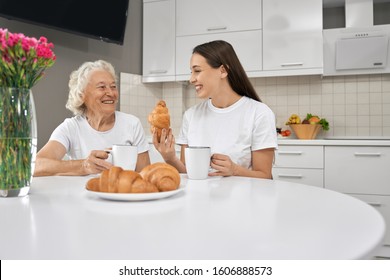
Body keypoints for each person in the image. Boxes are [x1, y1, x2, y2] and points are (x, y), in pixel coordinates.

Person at [153, 40, 277, 179]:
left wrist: (235, 170)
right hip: (198, 198)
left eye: (197, 71)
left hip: (242, 199)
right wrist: (170, 158)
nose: (191, 79)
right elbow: (188, 173)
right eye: (191, 72)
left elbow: (265, 176)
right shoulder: (191, 115)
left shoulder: (259, 113)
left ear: (223, 71)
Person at [34, 60, 150, 176]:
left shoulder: (132, 124)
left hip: (122, 192)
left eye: (113, 86)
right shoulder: (71, 128)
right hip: (81, 193)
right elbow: (36, 165)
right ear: (82, 95)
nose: (110, 92)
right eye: (102, 87)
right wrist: (83, 165)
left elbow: (146, 176)